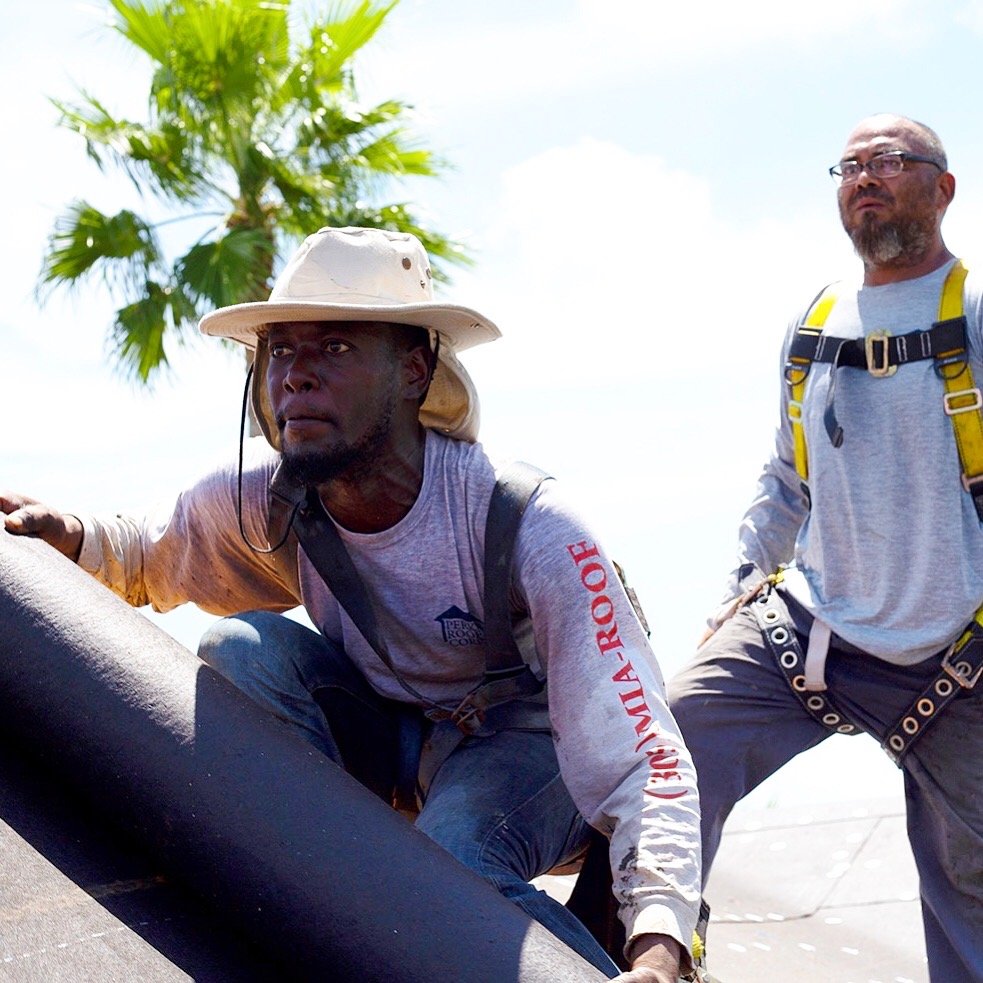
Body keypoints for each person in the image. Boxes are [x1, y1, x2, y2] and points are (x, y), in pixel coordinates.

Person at [2, 227, 701, 982]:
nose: (295, 375)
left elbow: (644, 757)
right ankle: (328, 895)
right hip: (399, 737)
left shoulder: (526, 522)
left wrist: (658, 945)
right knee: (241, 650)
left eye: (333, 347)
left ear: (413, 366)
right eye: (280, 349)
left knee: (446, 873)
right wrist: (67, 536)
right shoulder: (266, 500)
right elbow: (149, 553)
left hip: (531, 751)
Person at [669, 115, 983, 982]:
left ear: (942, 188)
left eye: (888, 161)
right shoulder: (813, 320)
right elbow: (784, 475)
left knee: (972, 892)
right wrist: (739, 582)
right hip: (812, 631)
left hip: (962, 655)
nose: (865, 177)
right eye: (849, 166)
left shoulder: (976, 314)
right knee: (670, 740)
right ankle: (651, 951)